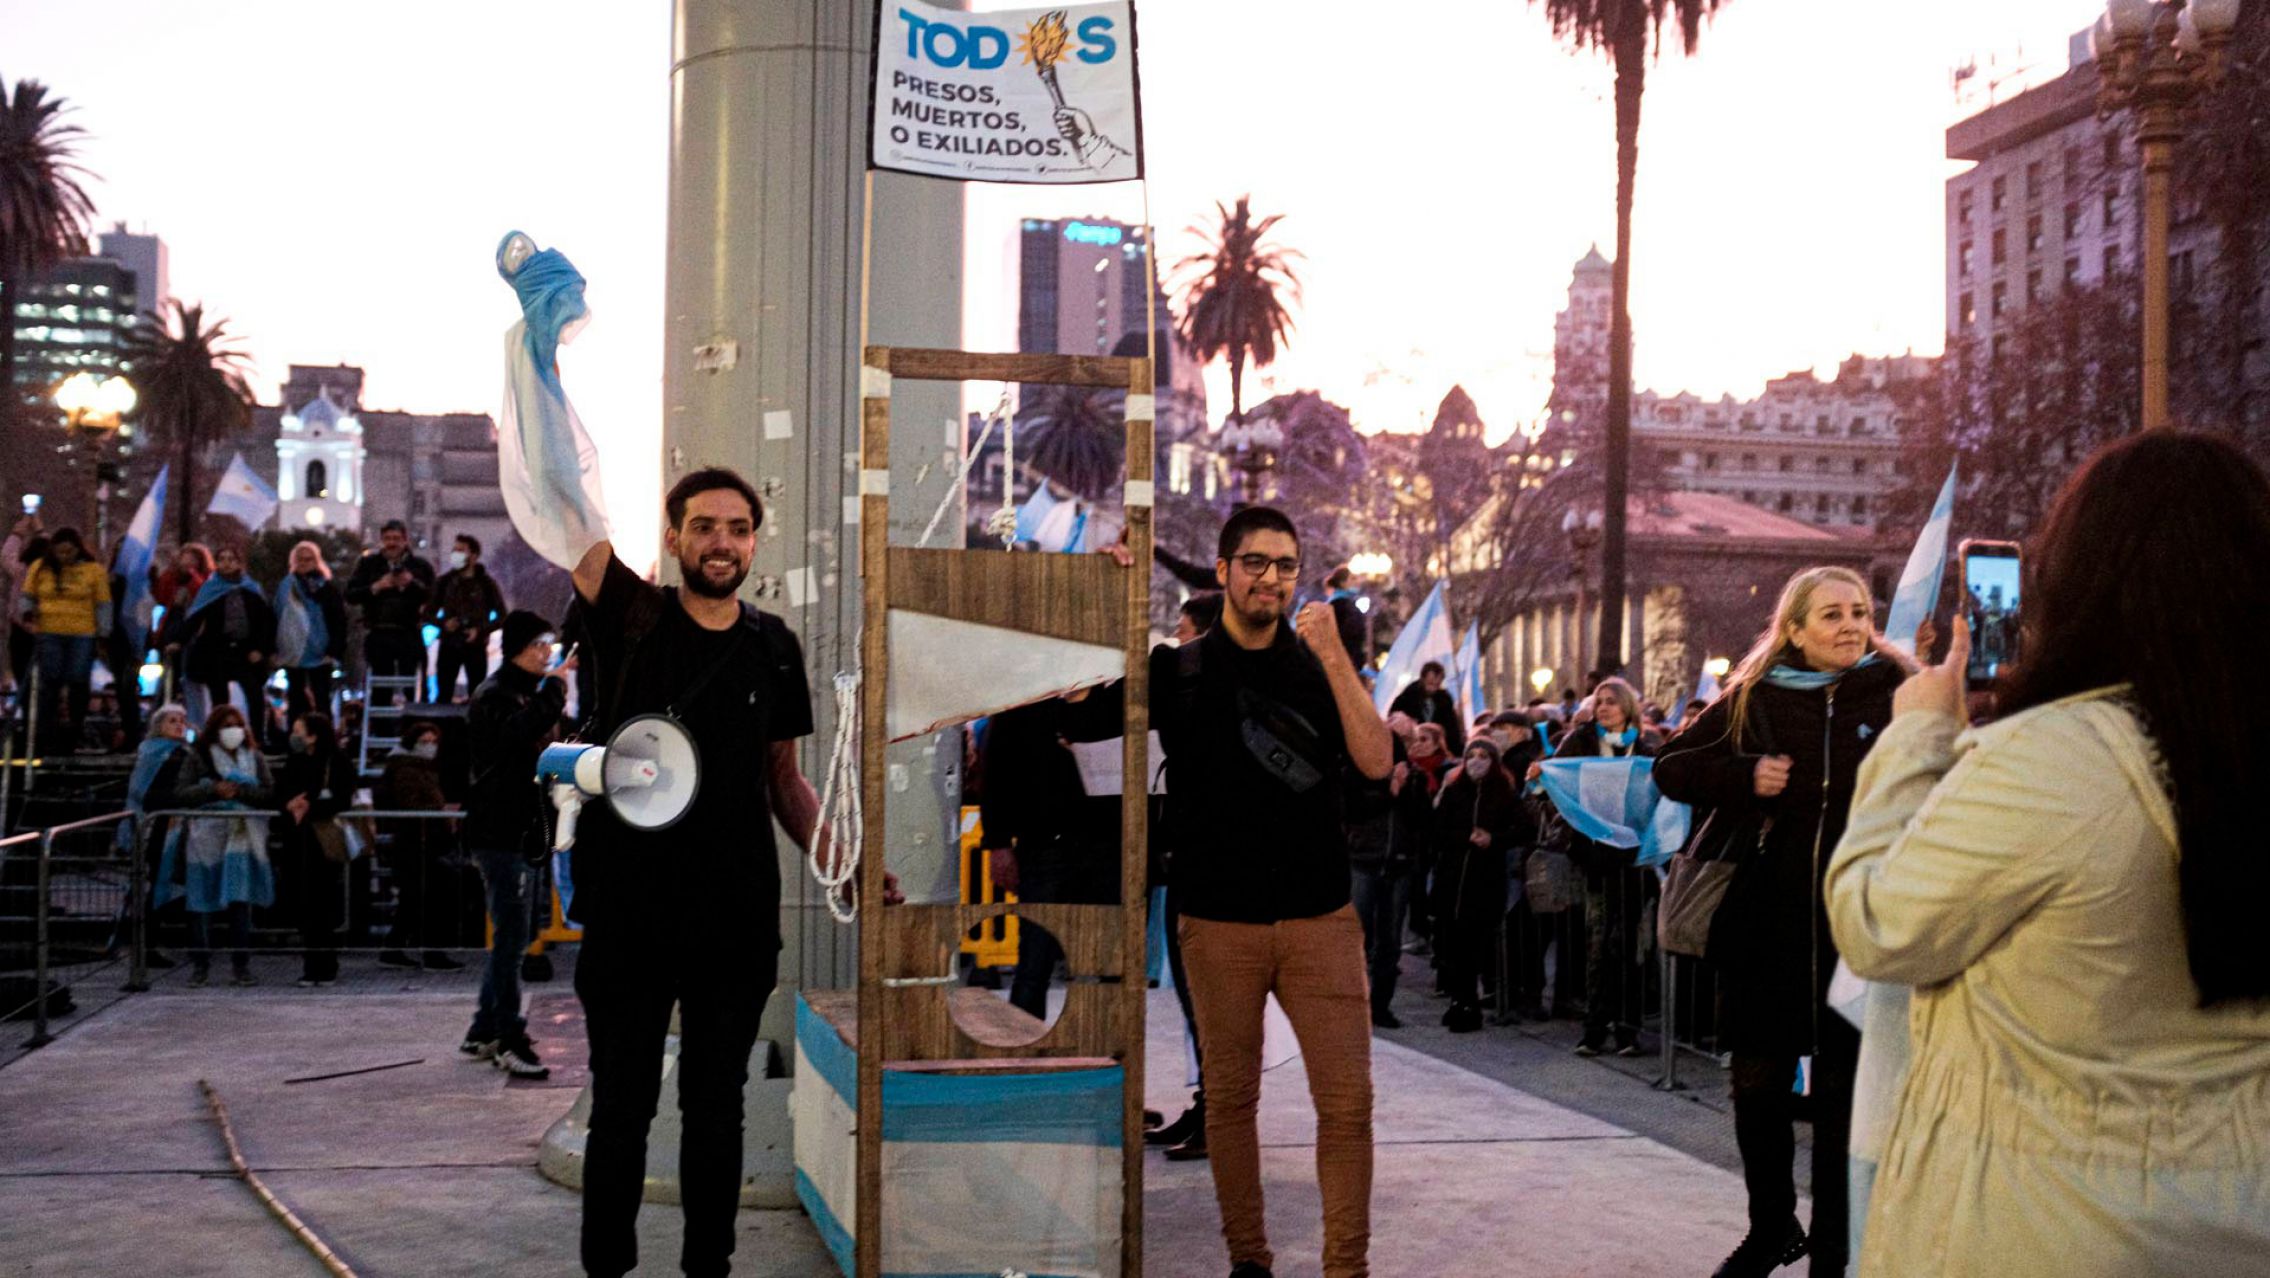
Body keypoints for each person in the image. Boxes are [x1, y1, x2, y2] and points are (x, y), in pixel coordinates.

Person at [1826, 432, 2270, 1278]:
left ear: (2081, 578)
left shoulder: (2053, 759)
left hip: (2050, 1219)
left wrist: (1918, 732)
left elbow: (1880, 925)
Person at [1081, 506, 1393, 1278]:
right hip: (1218, 922)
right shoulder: (1180, 669)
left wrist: (1335, 658)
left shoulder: (1321, 660)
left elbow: (1379, 761)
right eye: (1254, 562)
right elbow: (1078, 706)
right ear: (1221, 571)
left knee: (1348, 1107)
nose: (1271, 578)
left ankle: (1345, 1269)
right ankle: (1248, 1260)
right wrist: (1099, 592)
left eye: (1285, 565)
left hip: (1321, 918)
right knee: (1230, 1103)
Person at [567, 468, 827, 1278]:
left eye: (738, 528)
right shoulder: (630, 617)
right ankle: (607, 1269)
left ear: (755, 540)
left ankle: (706, 1269)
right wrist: (537, 377)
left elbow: (783, 779)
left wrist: (837, 857)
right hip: (628, 916)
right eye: (705, 526)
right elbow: (561, 508)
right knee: (622, 1110)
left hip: (735, 922)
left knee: (717, 1114)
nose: (723, 542)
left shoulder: (773, 645)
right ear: (673, 536)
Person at [1654, 567, 1916, 1278]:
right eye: (1830, 614)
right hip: (1764, 922)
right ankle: (1773, 1226)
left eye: (1860, 612)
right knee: (1757, 1082)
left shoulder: (1898, 693)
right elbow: (1671, 767)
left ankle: (1835, 1249)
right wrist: (1743, 778)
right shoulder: (1752, 699)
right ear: (1793, 630)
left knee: (1841, 1096)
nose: (1850, 626)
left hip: (1856, 926)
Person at [462, 610, 571, 1078]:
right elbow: (515, 738)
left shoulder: (524, 694)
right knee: (512, 938)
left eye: (550, 644)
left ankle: (483, 1027)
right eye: (539, 644)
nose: (548, 653)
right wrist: (554, 692)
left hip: (522, 830)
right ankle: (508, 1034)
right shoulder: (496, 696)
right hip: (499, 832)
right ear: (517, 649)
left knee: (514, 935)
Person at [1533, 676, 1661, 1057]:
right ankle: (1593, 1028)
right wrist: (1542, 780)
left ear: (1627, 707)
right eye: (1599, 701)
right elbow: (1558, 785)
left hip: (1635, 860)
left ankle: (1627, 1029)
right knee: (1597, 944)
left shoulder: (1646, 746)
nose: (1603, 708)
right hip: (1596, 858)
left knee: (1631, 946)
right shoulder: (1580, 742)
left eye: (1611, 702)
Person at [1145, 589, 1224, 1161]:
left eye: (1183, 629)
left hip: (1212, 866)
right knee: (1193, 999)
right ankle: (1205, 1106)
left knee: (1209, 1001)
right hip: (1186, 857)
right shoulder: (1184, 682)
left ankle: (1217, 1114)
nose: (1176, 640)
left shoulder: (1211, 688)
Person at [160, 703, 275, 987]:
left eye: (237, 724)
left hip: (242, 838)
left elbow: (269, 792)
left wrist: (242, 791)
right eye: (226, 726)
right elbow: (181, 793)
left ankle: (241, 966)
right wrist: (212, 790)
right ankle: (200, 965)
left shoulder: (255, 757)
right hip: (205, 840)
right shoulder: (198, 757)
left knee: (240, 903)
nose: (232, 731)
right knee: (200, 904)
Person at [1430, 736, 1529, 1033]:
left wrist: (1493, 840)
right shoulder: (1454, 792)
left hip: (1484, 880)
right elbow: (1437, 830)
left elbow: (1522, 829)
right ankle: (1459, 1000)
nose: (1476, 761)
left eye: (1484, 756)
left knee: (1474, 945)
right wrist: (1463, 838)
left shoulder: (1504, 794)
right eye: (1471, 755)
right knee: (1452, 945)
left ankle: (1468, 1004)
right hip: (1452, 878)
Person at [276, 711, 357, 986]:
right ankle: (313, 964)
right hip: (298, 842)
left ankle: (324, 965)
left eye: (299, 730)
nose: (295, 736)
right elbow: (280, 791)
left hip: (322, 842)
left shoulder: (336, 761)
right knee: (303, 904)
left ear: (313, 735)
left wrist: (309, 805)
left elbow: (342, 797)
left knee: (321, 904)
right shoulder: (295, 761)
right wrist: (289, 805)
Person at [113, 703, 192, 968]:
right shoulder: (161, 754)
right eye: (172, 721)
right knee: (154, 887)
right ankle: (144, 945)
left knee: (157, 887)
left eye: (182, 720)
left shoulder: (175, 752)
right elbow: (146, 791)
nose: (179, 725)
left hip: (163, 824)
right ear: (159, 726)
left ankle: (146, 942)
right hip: (156, 828)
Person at [377, 718, 461, 970]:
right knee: (428, 897)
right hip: (417, 841)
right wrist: (440, 810)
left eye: (434, 741)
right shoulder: (408, 770)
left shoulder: (421, 768)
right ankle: (431, 953)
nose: (430, 746)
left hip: (420, 841)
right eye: (425, 741)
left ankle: (395, 948)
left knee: (414, 899)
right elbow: (410, 804)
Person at [176, 545, 276, 751]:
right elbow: (195, 618)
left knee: (254, 692)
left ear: (239, 563)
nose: (227, 563)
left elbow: (265, 622)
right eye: (222, 559)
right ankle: (218, 738)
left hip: (245, 651)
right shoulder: (210, 589)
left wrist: (262, 649)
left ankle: (258, 737)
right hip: (216, 650)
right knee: (219, 696)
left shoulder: (251, 589)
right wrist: (178, 640)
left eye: (232, 559)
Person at [23, 527, 110, 754]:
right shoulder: (40, 568)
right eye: (60, 552)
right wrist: (29, 618)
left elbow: (102, 603)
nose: (64, 557)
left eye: (69, 552)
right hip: (49, 630)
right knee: (50, 680)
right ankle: (46, 733)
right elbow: (28, 595)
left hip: (82, 632)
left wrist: (103, 633)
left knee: (78, 679)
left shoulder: (93, 571)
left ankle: (74, 728)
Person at [343, 520, 435, 704]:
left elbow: (433, 597)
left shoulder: (420, 566)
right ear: (381, 540)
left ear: (405, 540)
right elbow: (350, 595)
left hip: (409, 632)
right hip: (379, 631)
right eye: (387, 538)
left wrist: (411, 584)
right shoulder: (368, 564)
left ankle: (413, 727)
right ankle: (380, 727)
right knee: (380, 686)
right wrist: (376, 587)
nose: (392, 543)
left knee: (412, 686)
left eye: (396, 538)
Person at [273, 540, 348, 723]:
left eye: (309, 559)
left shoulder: (327, 589)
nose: (304, 563)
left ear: (316, 561)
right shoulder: (286, 588)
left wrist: (333, 652)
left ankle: (323, 742)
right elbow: (276, 616)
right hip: (292, 652)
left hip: (321, 653)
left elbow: (338, 620)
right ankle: (295, 742)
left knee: (322, 699)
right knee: (295, 699)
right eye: (300, 559)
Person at [428, 533, 507, 702]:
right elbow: (428, 613)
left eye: (461, 550)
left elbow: (502, 615)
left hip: (476, 646)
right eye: (454, 550)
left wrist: (480, 630)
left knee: (477, 694)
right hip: (449, 644)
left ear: (473, 555)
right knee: (444, 693)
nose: (456, 554)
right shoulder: (444, 582)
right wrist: (444, 624)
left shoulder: (486, 584)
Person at [151, 542, 212, 713]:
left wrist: (193, 577)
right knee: (168, 681)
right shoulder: (172, 579)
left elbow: (200, 597)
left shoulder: (206, 581)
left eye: (192, 559)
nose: (187, 563)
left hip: (193, 638)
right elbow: (161, 598)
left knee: (190, 682)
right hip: (171, 634)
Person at [1388, 660, 1465, 754]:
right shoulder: (1407, 697)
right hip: (1412, 750)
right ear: (1423, 679)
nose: (1432, 688)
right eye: (1430, 683)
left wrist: (1456, 751)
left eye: (1437, 684)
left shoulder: (1444, 700)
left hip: (1437, 750)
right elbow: (1394, 720)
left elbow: (1451, 728)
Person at [1322, 564, 1369, 670]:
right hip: (1344, 665)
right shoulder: (1341, 606)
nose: (1357, 582)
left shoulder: (1334, 605)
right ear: (1342, 583)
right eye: (1352, 578)